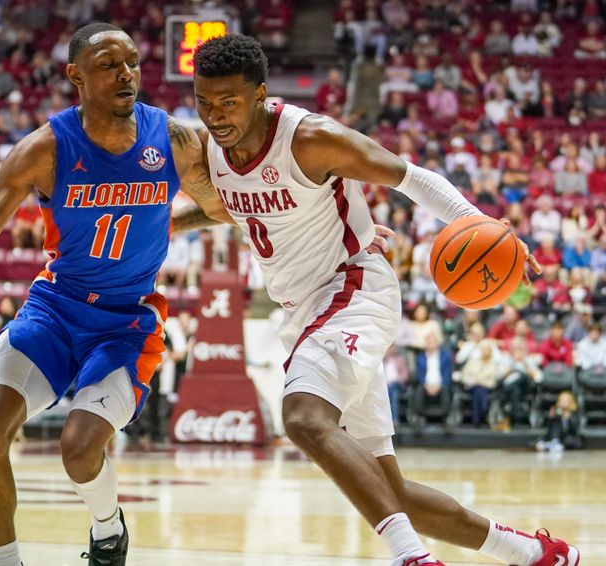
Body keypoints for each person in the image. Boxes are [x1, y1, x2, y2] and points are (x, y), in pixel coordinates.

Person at [184, 33, 576, 566]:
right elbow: (233, 207)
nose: (214, 116)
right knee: (387, 490)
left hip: (352, 289)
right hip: (303, 312)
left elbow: (412, 179)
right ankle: (537, 553)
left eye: (228, 102)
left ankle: (412, 560)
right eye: (203, 102)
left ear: (259, 94)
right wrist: (158, 222)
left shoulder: (311, 138)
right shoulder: (213, 149)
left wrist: (479, 225)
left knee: (301, 417)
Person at [0, 23, 232, 566]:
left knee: (80, 447)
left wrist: (171, 222)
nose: (125, 74)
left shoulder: (174, 141)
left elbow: (226, 205)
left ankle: (108, 530)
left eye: (132, 62)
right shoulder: (44, 149)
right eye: (109, 64)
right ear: (75, 76)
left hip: (125, 322)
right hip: (54, 309)